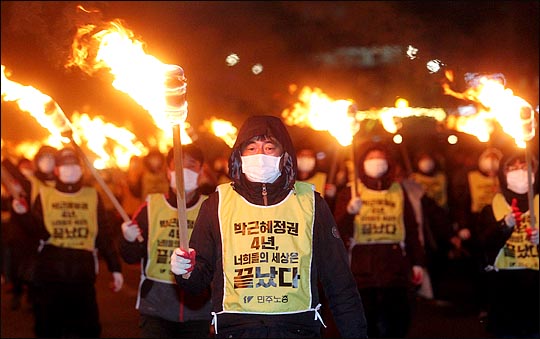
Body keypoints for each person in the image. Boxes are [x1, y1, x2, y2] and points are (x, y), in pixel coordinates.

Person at [170, 115, 367, 338]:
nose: (260, 155)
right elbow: (198, 281)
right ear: (240, 156)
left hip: (297, 328)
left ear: (284, 155)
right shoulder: (217, 204)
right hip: (236, 330)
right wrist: (184, 270)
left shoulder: (310, 202)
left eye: (269, 147)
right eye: (251, 148)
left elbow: (339, 280)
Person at [12, 146, 124, 338]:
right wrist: (23, 215)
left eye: (74, 164)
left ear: (81, 168)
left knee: (87, 329)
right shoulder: (46, 195)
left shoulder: (92, 195)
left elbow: (103, 233)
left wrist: (115, 267)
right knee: (49, 328)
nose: (70, 168)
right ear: (56, 169)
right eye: (65, 164)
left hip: (83, 274)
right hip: (51, 272)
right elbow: (38, 232)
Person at [333, 140, 425, 338]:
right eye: (371, 158)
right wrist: (349, 212)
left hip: (394, 267)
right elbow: (336, 231)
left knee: (397, 320)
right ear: (362, 163)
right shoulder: (351, 191)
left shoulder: (399, 191)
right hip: (362, 266)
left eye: (380, 158)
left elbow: (410, 227)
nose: (376, 161)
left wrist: (417, 262)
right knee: (366, 321)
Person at [120, 143, 212, 338]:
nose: (184, 171)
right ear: (168, 170)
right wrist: (128, 240)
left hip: (197, 308)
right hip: (156, 308)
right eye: (177, 165)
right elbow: (131, 257)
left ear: (201, 170)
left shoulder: (211, 207)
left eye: (191, 165)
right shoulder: (151, 206)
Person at [477, 150, 539, 338]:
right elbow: (483, 246)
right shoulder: (491, 208)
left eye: (523, 167)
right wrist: (504, 226)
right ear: (503, 175)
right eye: (512, 168)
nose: (519, 172)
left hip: (535, 288)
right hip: (505, 289)